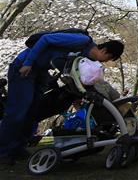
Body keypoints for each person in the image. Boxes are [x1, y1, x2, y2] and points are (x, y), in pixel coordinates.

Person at [0, 30, 124, 165]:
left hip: (41, 73)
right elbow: (46, 39)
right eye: (108, 58)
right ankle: (4, 151)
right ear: (105, 51)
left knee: (33, 112)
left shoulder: (87, 59)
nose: (106, 61)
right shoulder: (82, 41)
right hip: (25, 66)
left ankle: (18, 148)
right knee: (18, 111)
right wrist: (28, 63)